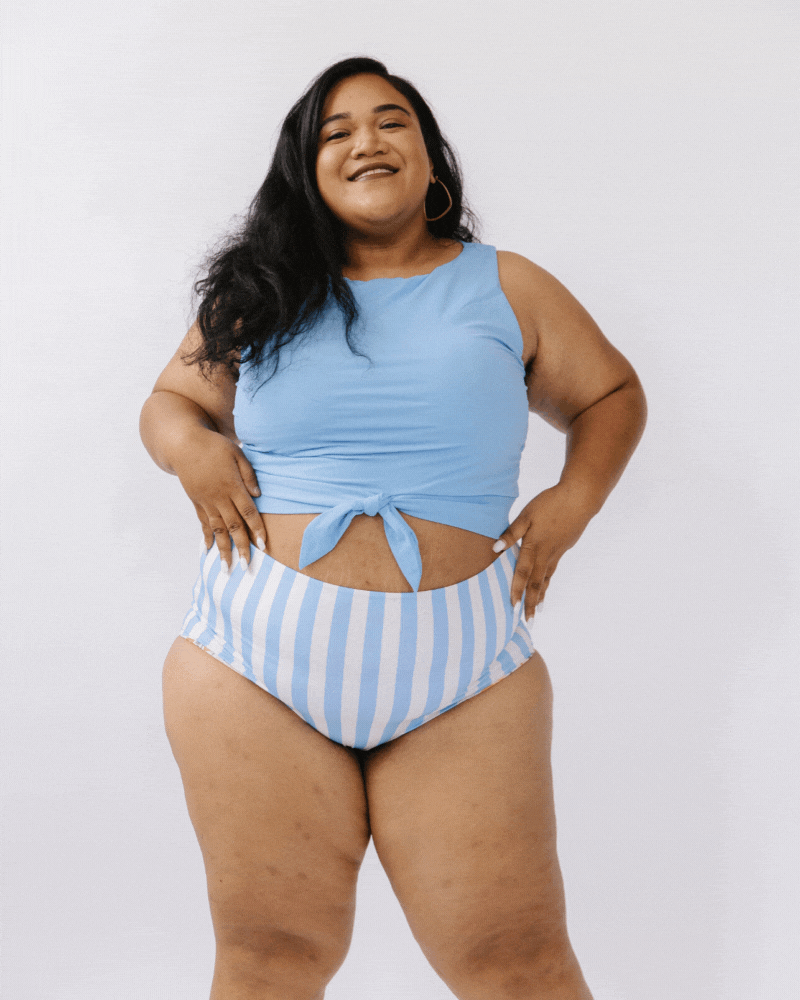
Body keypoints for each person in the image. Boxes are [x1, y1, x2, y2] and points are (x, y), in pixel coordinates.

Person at [140, 55, 646, 1000]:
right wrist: (190, 449)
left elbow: (611, 393)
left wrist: (572, 502)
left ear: (429, 156)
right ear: (307, 168)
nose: (366, 142)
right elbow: (171, 402)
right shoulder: (260, 291)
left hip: (464, 667)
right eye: (336, 132)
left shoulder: (509, 286)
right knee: (271, 959)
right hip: (255, 660)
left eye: (390, 122)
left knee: (519, 964)